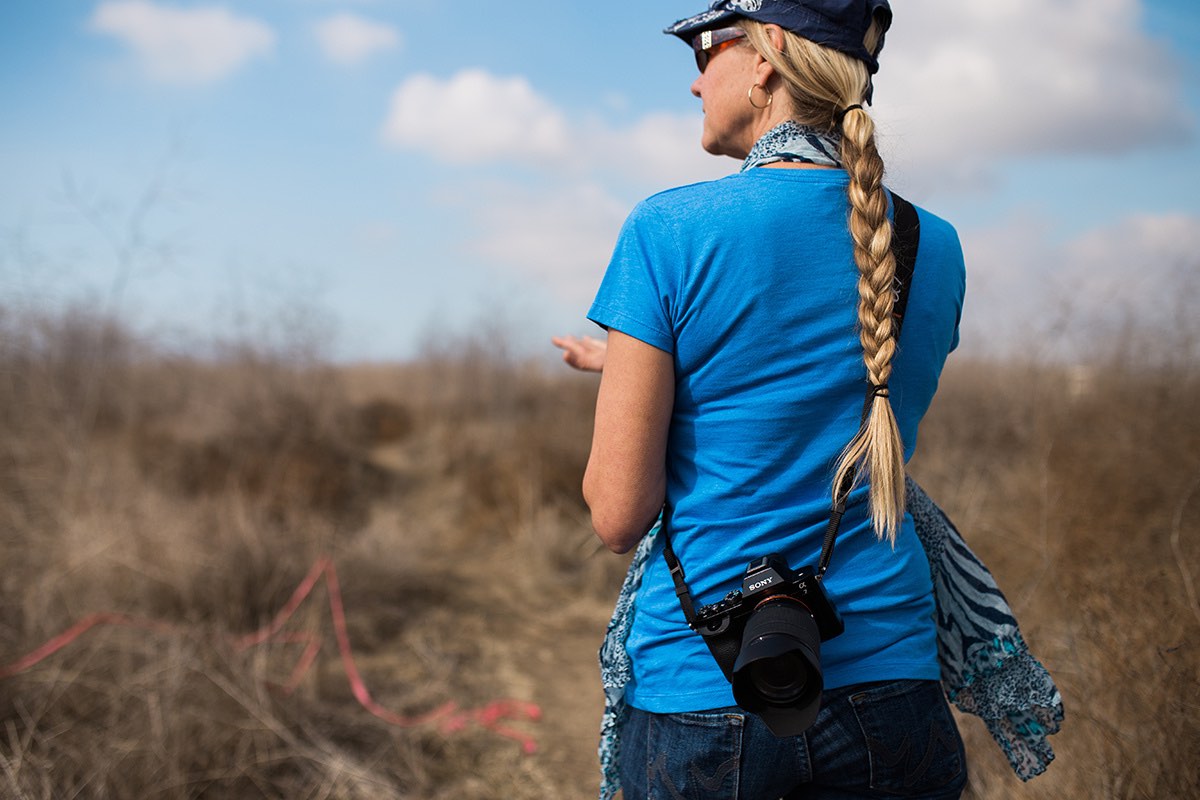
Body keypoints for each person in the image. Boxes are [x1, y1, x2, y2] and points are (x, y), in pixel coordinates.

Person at [564, 2, 973, 798]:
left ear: (766, 58)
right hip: (897, 690)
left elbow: (617, 515)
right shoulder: (936, 245)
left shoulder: (668, 229)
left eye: (706, 48)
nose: (693, 82)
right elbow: (805, 379)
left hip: (709, 694)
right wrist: (622, 364)